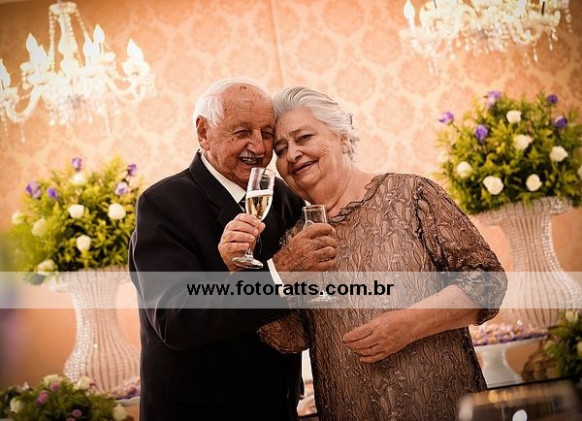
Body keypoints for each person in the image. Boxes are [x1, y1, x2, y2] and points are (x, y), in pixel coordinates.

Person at [222, 86, 508, 420]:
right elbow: (291, 337)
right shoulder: (295, 242)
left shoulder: (411, 195)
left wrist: (408, 324)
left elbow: (489, 283)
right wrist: (242, 272)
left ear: (343, 137)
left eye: (304, 138)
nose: (293, 154)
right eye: (282, 150)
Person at [128, 78, 335, 421]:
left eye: (266, 133)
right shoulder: (162, 204)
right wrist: (280, 272)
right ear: (203, 132)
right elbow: (175, 320)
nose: (258, 147)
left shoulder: (283, 197)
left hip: (279, 405)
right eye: (242, 132)